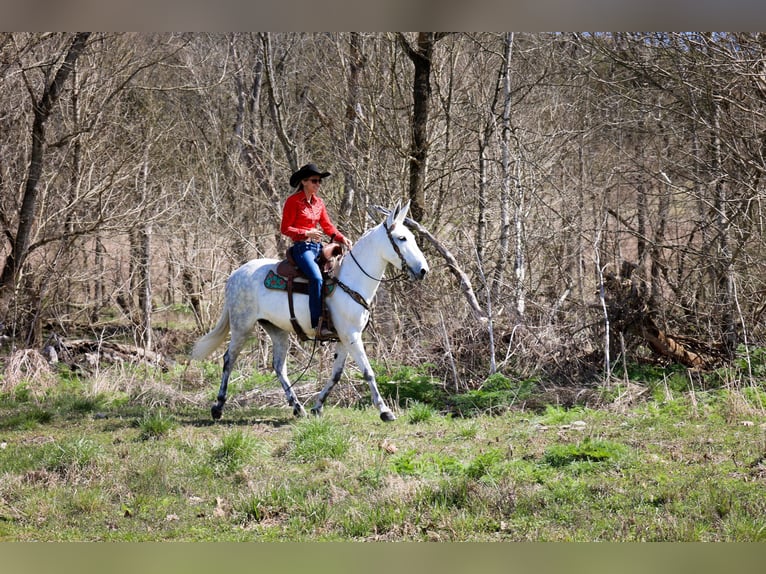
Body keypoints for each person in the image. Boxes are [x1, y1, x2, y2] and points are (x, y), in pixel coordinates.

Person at [280, 163, 352, 339]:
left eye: (319, 181)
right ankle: (317, 324)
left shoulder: (319, 203)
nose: (318, 184)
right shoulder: (293, 201)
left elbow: (327, 226)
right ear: (304, 181)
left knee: (336, 275)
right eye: (314, 181)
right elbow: (285, 228)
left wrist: (342, 238)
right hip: (301, 248)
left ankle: (337, 318)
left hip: (318, 247)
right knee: (316, 278)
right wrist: (306, 232)